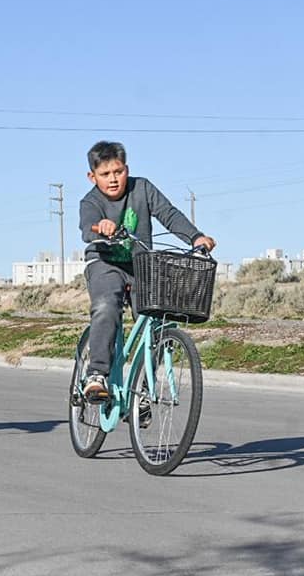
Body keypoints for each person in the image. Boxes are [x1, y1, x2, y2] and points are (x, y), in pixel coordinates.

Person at [79, 140, 216, 402]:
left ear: (126, 169)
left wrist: (195, 237)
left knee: (158, 320)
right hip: (105, 263)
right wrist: (101, 226)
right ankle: (96, 374)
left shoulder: (142, 188)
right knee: (107, 305)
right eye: (105, 174)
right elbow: (88, 226)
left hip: (143, 265)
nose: (113, 179)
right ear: (92, 176)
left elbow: (168, 214)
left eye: (118, 172)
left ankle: (142, 390)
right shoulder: (90, 201)